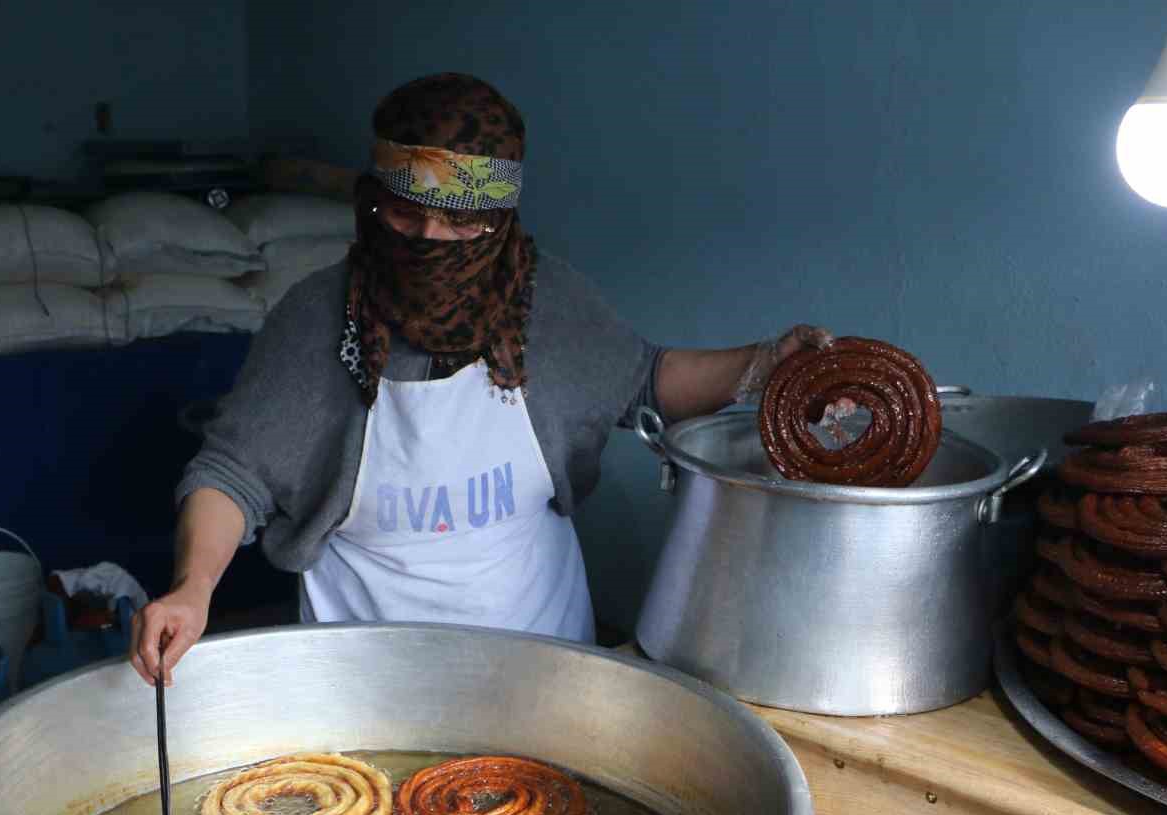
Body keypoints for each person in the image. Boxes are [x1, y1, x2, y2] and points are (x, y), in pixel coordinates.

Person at [130, 73, 831, 685]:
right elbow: (232, 474)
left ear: (498, 222)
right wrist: (194, 589)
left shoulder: (547, 304)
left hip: (542, 659)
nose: (430, 240)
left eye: (459, 224)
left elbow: (645, 381)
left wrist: (764, 365)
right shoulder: (318, 319)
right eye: (405, 215)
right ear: (372, 203)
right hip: (364, 672)